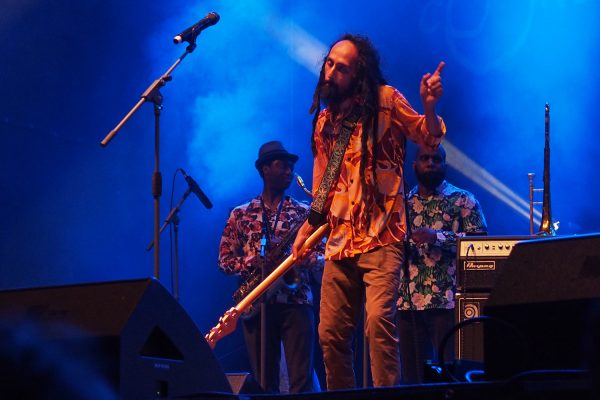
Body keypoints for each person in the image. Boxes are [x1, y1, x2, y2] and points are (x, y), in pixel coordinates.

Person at [291, 33, 446, 390]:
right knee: (329, 334)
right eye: (329, 63)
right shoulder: (325, 122)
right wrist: (306, 231)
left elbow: (427, 136)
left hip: (382, 236)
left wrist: (430, 106)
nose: (330, 73)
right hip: (341, 241)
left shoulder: (386, 101)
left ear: (359, 73)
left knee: (378, 324)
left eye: (340, 68)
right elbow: (322, 189)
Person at [218, 140, 324, 393]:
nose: (289, 171)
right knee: (265, 382)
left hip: (296, 301)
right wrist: (250, 262)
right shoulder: (240, 213)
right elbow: (224, 262)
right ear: (265, 169)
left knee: (302, 379)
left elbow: (323, 254)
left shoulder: (305, 212)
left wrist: (312, 260)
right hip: (257, 303)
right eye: (282, 166)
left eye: (291, 167)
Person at [397, 144, 488, 384]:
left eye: (436, 159)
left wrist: (437, 236)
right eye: (424, 158)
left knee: (449, 376)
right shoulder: (400, 203)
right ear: (414, 165)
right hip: (408, 305)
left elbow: (481, 244)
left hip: (447, 303)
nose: (430, 163)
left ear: (445, 165)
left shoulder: (463, 200)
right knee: (413, 379)